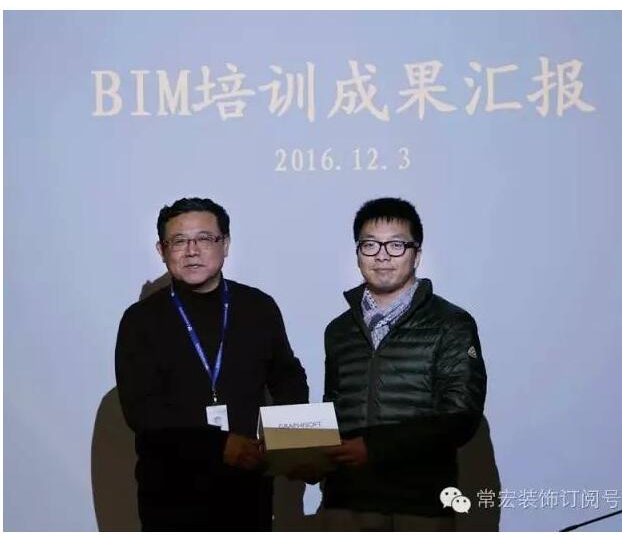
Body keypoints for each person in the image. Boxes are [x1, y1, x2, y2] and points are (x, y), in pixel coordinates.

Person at [115, 197, 308, 531]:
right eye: (179, 241)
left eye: (204, 238)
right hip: (171, 497)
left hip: (248, 493)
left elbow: (288, 377)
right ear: (162, 250)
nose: (192, 251)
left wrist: (289, 443)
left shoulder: (258, 307)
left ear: (226, 244)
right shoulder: (140, 320)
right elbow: (142, 411)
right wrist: (219, 446)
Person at [319, 197, 487, 531]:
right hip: (346, 503)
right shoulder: (338, 330)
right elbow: (333, 407)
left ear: (417, 255)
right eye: (370, 245)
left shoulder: (451, 324)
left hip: (418, 506)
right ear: (357, 254)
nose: (382, 256)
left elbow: (460, 417)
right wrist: (310, 457)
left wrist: (374, 448)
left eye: (396, 245)